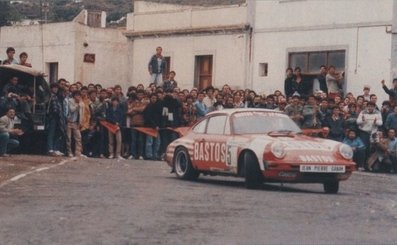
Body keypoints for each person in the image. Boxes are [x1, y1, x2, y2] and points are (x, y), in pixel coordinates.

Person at [356, 101, 383, 166]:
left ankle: (369, 164)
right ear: (367, 106)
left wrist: (376, 122)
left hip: (373, 133)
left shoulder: (378, 112)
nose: (370, 107)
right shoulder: (362, 112)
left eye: (372, 106)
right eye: (369, 106)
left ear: (374, 107)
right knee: (364, 148)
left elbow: (381, 123)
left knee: (371, 149)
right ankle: (362, 164)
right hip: (364, 132)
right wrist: (362, 120)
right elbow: (357, 122)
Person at [46, 83, 65, 156]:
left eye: (56, 88)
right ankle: (50, 149)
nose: (55, 89)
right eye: (54, 88)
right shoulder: (49, 96)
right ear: (51, 88)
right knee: (51, 133)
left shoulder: (58, 97)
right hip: (52, 117)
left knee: (58, 132)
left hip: (59, 117)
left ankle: (56, 148)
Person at [66, 90, 85, 158]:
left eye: (79, 95)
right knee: (69, 138)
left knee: (78, 137)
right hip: (69, 121)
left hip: (76, 123)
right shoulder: (70, 101)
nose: (78, 97)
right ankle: (69, 152)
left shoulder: (82, 103)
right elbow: (71, 109)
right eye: (77, 95)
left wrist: (81, 122)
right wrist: (77, 105)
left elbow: (82, 114)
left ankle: (78, 152)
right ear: (74, 96)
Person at [143, 93, 162, 160]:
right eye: (152, 98)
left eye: (155, 98)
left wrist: (158, 125)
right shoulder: (149, 106)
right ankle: (149, 155)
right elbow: (148, 117)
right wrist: (154, 125)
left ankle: (155, 154)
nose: (154, 99)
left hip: (157, 127)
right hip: (150, 127)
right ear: (150, 99)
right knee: (149, 142)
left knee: (157, 142)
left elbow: (160, 117)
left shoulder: (158, 106)